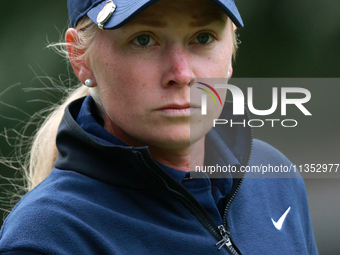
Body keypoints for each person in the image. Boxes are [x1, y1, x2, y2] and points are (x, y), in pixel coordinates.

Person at [0, 0, 318, 254]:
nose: (181, 73)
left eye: (203, 37)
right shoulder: (49, 237)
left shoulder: (276, 178)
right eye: (144, 40)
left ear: (231, 49)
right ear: (80, 58)